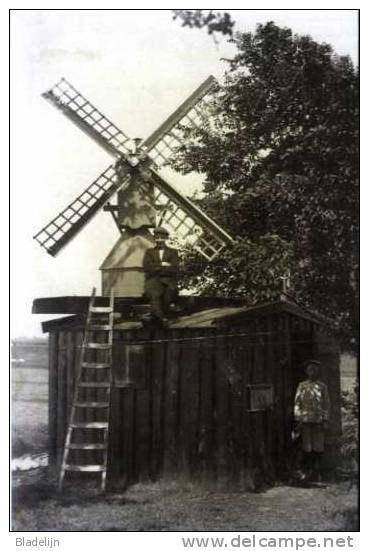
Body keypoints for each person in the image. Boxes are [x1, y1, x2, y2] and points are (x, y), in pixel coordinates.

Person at [294, 360, 330, 483]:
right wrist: (298, 418)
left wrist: (325, 419)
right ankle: (307, 473)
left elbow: (326, 404)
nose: (313, 372)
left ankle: (317, 472)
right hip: (305, 420)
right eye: (310, 369)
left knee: (318, 446)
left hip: (318, 420)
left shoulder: (322, 386)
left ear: (318, 372)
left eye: (315, 369)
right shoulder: (302, 386)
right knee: (307, 446)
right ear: (306, 372)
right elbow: (297, 403)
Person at [143, 226, 180, 323]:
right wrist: (162, 265)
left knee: (169, 294)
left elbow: (174, 269)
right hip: (153, 280)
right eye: (156, 238)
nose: (159, 240)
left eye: (161, 238)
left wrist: (156, 268)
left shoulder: (173, 252)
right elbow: (147, 268)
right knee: (154, 294)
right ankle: (162, 319)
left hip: (168, 281)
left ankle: (161, 316)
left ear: (166, 238)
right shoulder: (149, 252)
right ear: (154, 238)